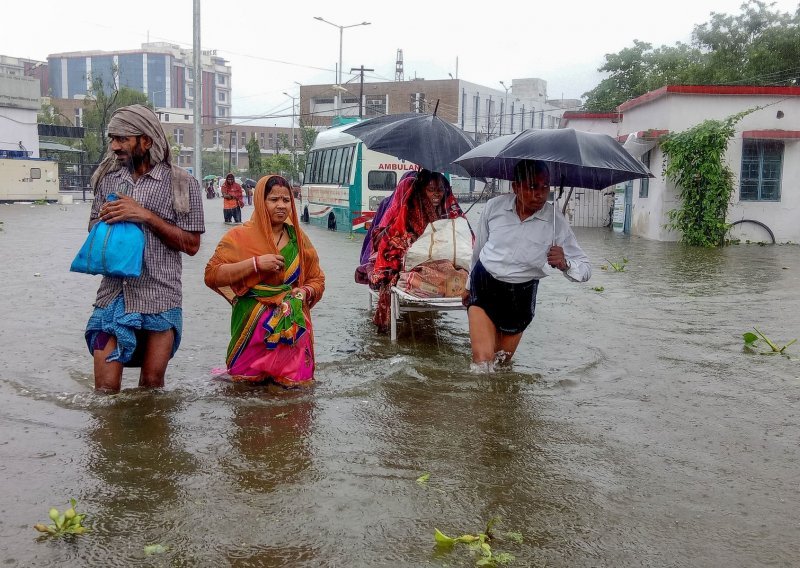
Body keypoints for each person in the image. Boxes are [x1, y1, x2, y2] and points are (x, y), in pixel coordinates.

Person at [84, 104, 205, 392]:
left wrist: (146, 216)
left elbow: (192, 245)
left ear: (146, 140)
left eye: (122, 139)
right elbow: (91, 230)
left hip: (160, 298)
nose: (115, 146)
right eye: (112, 138)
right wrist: (111, 223)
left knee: (151, 389)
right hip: (112, 296)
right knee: (105, 392)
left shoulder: (182, 183)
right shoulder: (107, 179)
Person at [464, 159, 591, 369]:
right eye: (532, 186)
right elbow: (478, 251)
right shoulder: (494, 207)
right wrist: (468, 286)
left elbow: (586, 268)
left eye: (544, 187)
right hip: (485, 284)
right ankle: (481, 401)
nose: (539, 193)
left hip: (520, 296)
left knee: (501, 363)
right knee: (483, 363)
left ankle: (498, 402)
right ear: (515, 186)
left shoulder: (555, 222)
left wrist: (565, 264)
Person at [204, 175, 325, 388]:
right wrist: (255, 264)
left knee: (295, 396)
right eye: (273, 200)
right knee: (245, 393)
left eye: (286, 200)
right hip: (251, 328)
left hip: (291, 328)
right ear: (261, 201)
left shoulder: (299, 238)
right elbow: (213, 274)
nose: (281, 206)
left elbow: (317, 278)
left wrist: (304, 292)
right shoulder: (238, 237)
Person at [369, 169, 467, 332]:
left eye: (440, 190)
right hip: (412, 260)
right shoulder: (407, 208)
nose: (437, 195)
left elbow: (460, 241)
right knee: (416, 278)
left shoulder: (446, 211)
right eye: (431, 190)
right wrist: (411, 242)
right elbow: (389, 240)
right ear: (422, 190)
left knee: (463, 274)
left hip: (439, 259)